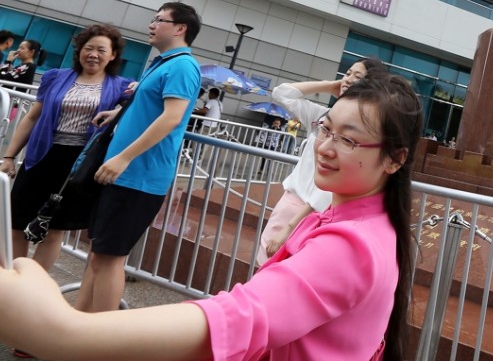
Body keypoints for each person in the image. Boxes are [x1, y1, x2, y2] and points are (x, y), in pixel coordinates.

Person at [0, 73, 422, 361]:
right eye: (326, 129)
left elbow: (246, 316)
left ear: (394, 159)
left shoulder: (352, 245)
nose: (325, 147)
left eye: (348, 140)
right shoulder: (352, 218)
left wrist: (62, 331)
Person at [78, 2, 202, 314]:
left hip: (139, 176)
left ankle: (100, 338)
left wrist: (124, 157)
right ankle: (78, 322)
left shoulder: (183, 66)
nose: (152, 24)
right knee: (99, 254)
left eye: (160, 20)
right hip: (124, 173)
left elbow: (172, 118)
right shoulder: (162, 63)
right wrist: (118, 112)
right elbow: (150, 109)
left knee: (109, 259)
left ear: (179, 29)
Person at [0, 25, 132, 272]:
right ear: (79, 51)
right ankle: (13, 279)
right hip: (41, 156)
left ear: (113, 55)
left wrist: (117, 110)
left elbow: (137, 110)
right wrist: (9, 156)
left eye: (101, 50)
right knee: (16, 223)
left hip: (78, 164)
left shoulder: (121, 86)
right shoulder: (56, 77)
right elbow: (31, 118)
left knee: (53, 229)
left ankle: (34, 289)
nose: (93, 54)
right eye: (88, 48)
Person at [255, 58, 384, 266]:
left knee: (286, 279)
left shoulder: (360, 130)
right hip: (288, 203)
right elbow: (281, 93)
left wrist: (290, 226)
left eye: (357, 77)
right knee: (262, 271)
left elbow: (330, 185)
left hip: (311, 214)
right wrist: (328, 86)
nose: (349, 79)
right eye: (348, 73)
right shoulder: (322, 115)